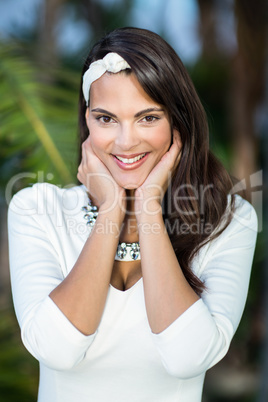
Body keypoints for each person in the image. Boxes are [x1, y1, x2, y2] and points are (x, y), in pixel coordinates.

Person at [8, 27, 257, 402]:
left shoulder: (228, 220)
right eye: (106, 119)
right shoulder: (36, 208)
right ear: (87, 120)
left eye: (148, 118)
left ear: (178, 121)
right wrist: (110, 208)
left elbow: (187, 357)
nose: (125, 142)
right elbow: (57, 349)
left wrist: (148, 208)